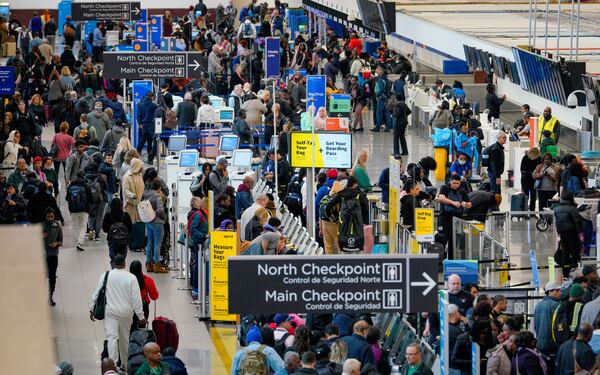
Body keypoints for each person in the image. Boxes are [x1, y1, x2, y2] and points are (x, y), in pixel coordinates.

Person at [90, 254, 146, 368]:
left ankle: (113, 365)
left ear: (113, 264)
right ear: (125, 263)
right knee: (124, 339)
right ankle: (125, 365)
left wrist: (92, 309)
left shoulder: (106, 275)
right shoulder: (131, 278)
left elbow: (96, 294)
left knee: (111, 338)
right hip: (126, 313)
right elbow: (136, 298)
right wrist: (141, 316)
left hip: (110, 313)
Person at [326, 176, 369, 253]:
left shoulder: (341, 194)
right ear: (354, 184)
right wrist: (365, 221)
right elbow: (366, 208)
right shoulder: (359, 194)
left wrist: (333, 217)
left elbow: (328, 206)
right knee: (358, 250)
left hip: (343, 225)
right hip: (357, 224)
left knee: (344, 248)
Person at [438, 175, 472, 259]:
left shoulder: (462, 191)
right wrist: (453, 203)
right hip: (444, 219)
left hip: (456, 221)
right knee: (442, 241)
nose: (456, 185)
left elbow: (470, 204)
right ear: (450, 181)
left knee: (453, 243)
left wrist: (465, 204)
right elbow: (441, 198)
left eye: (458, 183)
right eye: (454, 183)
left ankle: (451, 261)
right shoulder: (444, 188)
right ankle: (440, 262)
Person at [554, 190, 584, 276]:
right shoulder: (572, 208)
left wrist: (559, 232)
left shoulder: (557, 208)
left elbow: (557, 222)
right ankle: (576, 272)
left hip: (562, 233)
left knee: (565, 253)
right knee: (575, 252)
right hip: (572, 233)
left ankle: (565, 274)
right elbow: (577, 222)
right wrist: (581, 233)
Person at [142, 180, 168, 273]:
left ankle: (149, 264)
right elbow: (160, 210)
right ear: (159, 187)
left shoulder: (145, 194)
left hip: (148, 221)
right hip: (157, 222)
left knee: (150, 243)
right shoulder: (157, 196)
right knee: (158, 244)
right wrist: (164, 218)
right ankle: (157, 265)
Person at [534, 281, 561, 363]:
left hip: (540, 344)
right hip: (552, 345)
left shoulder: (538, 305)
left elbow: (535, 326)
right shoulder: (556, 305)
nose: (559, 293)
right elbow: (558, 326)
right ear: (549, 292)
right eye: (556, 291)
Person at [129, 260, 158, 329]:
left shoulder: (127, 280)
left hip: (129, 307)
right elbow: (154, 296)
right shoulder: (147, 280)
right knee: (141, 331)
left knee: (129, 329)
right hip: (143, 307)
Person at [43, 207, 63, 306]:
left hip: (53, 255)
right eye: (48, 217)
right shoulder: (41, 226)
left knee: (52, 276)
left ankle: (50, 296)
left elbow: (61, 241)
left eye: (52, 216)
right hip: (42, 254)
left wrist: (57, 244)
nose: (50, 218)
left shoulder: (57, 226)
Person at [123, 158, 144, 224]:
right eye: (140, 166)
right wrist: (132, 195)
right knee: (131, 223)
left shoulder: (140, 175)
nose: (142, 168)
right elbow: (125, 190)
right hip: (130, 204)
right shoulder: (127, 176)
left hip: (139, 204)